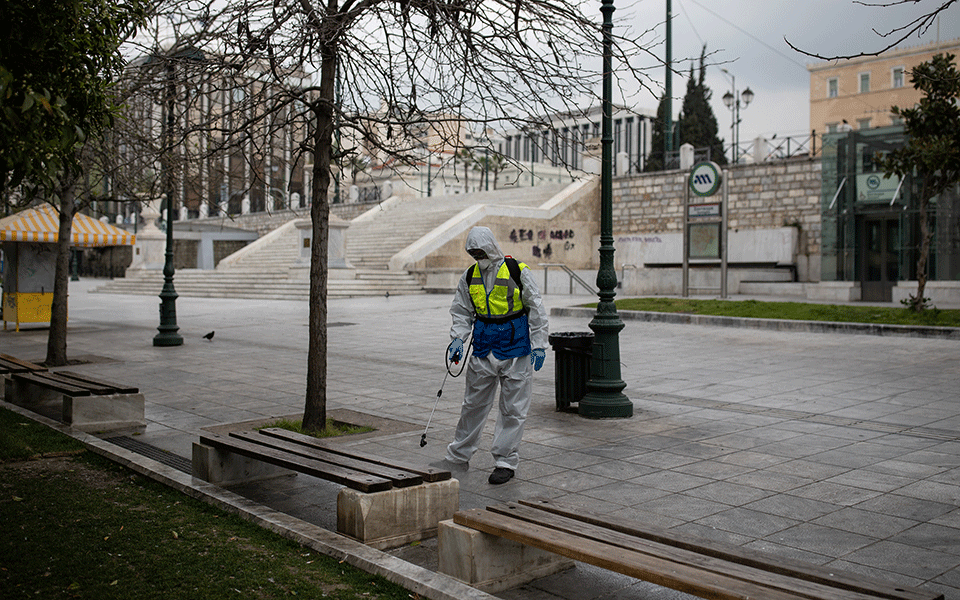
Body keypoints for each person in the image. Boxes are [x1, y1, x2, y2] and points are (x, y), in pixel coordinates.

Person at [444, 226, 548, 484]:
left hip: (516, 348)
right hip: (483, 347)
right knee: (472, 405)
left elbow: (536, 307)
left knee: (513, 408)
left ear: (490, 246)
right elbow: (461, 310)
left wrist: (539, 344)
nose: (477, 256)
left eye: (480, 250)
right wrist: (458, 339)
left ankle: (505, 461)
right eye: (473, 252)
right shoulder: (469, 276)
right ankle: (458, 455)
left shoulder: (517, 271)